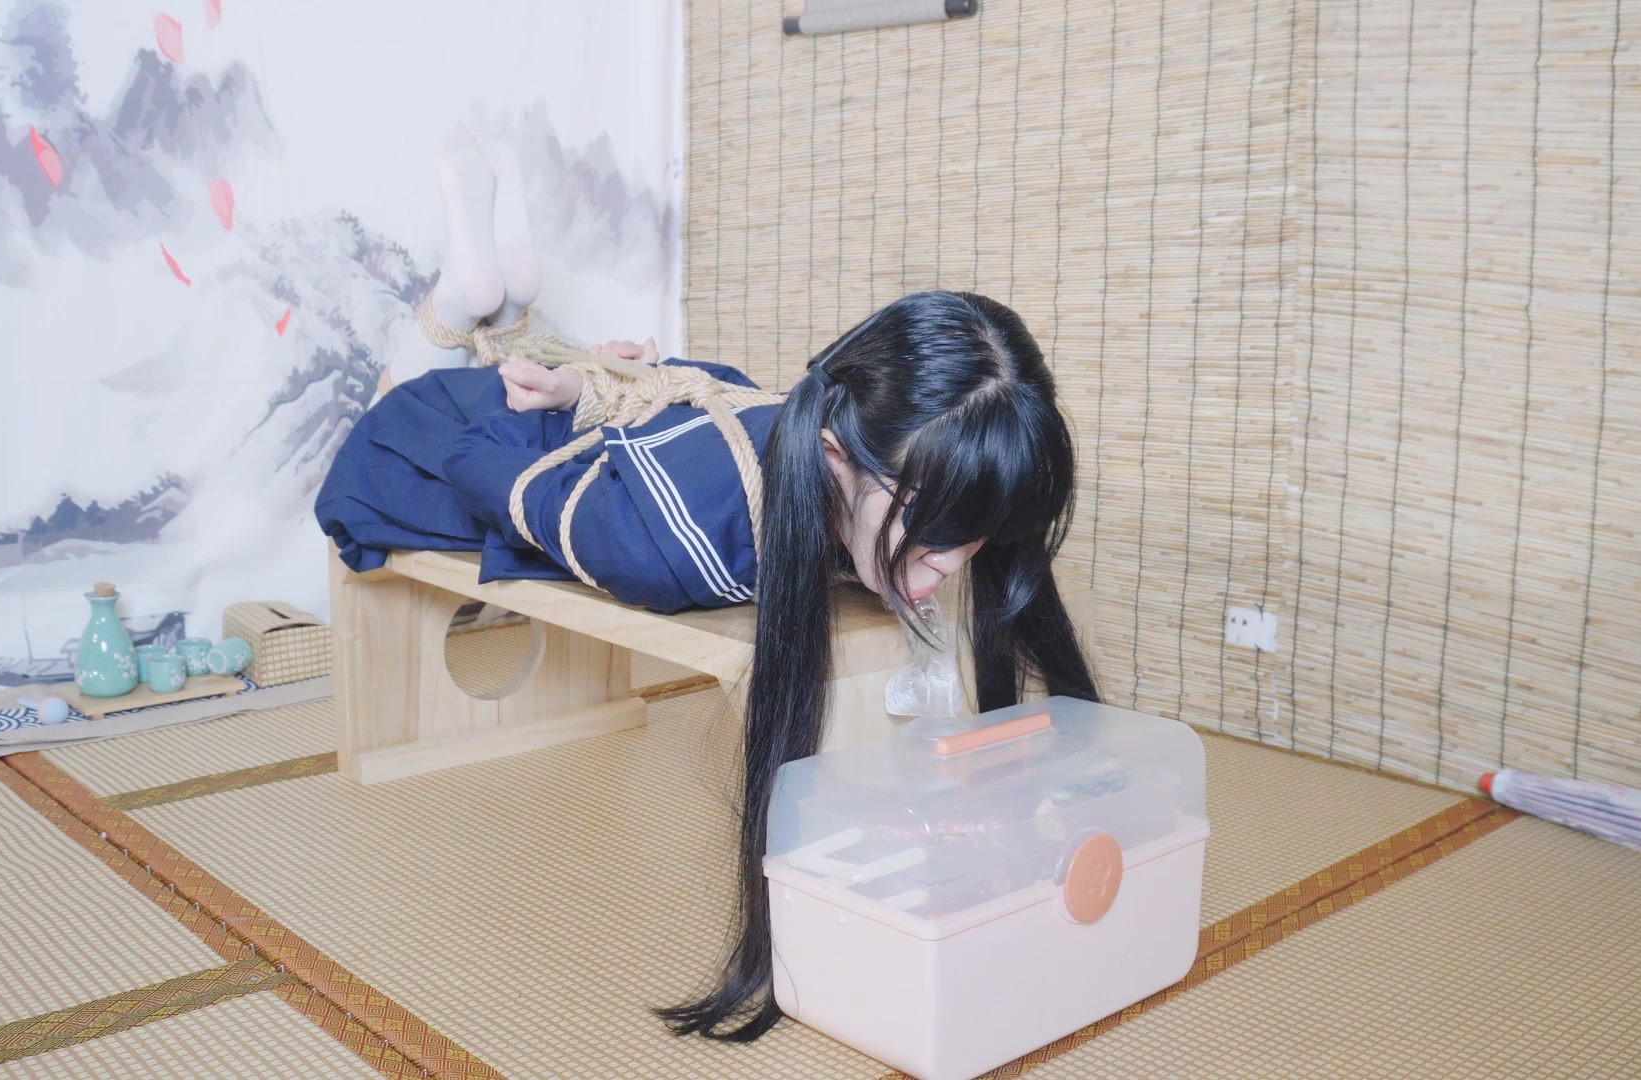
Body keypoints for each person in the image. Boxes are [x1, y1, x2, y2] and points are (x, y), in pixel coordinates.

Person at [314, 128, 1099, 1042]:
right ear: (837, 456)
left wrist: (593, 386)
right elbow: (483, 471)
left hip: (596, 421)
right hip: (454, 441)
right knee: (396, 417)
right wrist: (570, 403)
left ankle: (510, 309)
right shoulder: (672, 548)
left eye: (972, 543)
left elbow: (714, 387)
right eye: (931, 543)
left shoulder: (814, 417)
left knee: (543, 376)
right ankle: (468, 304)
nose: (950, 572)